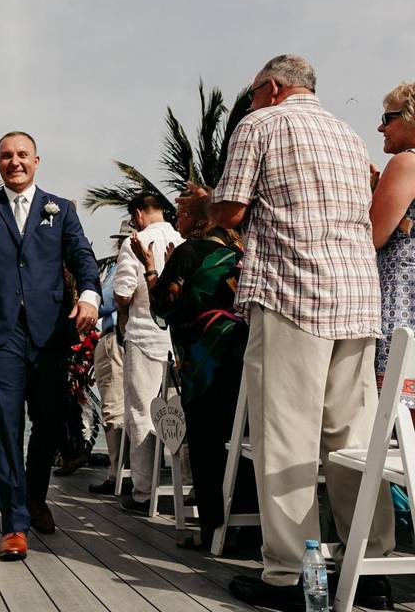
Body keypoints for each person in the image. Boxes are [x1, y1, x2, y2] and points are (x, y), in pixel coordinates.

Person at [211, 55, 395, 610]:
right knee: (352, 441)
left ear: (271, 87)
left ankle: (294, 576)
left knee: (286, 438)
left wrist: (209, 207)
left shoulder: (261, 123)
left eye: (252, 94)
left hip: (294, 293)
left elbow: (232, 209)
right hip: (358, 298)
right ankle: (373, 570)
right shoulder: (348, 133)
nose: (249, 104)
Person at [0, 131, 101, 560]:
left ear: (36, 160)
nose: (14, 162)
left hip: (50, 332)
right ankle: (14, 522)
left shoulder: (62, 209)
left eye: (21, 155)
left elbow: (83, 257)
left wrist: (89, 295)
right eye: (5, 156)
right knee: (4, 424)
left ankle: (35, 497)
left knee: (50, 421)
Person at [131, 183, 257, 550]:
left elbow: (164, 307)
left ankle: (214, 531)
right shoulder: (242, 250)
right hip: (245, 356)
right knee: (245, 441)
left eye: (183, 213)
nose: (177, 218)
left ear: (200, 219)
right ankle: (251, 528)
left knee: (206, 444)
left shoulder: (190, 252)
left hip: (203, 362)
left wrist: (152, 269)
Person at [113, 193, 183, 515]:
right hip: (176, 342)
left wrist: (122, 310)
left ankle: (143, 492)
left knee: (142, 413)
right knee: (177, 414)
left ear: (139, 213)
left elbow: (123, 293)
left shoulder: (135, 242)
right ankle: (184, 487)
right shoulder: (181, 240)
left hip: (144, 338)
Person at [371, 82, 415, 391]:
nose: (380, 127)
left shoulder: (406, 163)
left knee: (393, 413)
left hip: (400, 298)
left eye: (389, 118)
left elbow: (372, 235)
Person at [88, 221, 130, 495]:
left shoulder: (122, 266)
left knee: (113, 407)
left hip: (115, 338)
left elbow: (104, 302)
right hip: (128, 338)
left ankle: (117, 474)